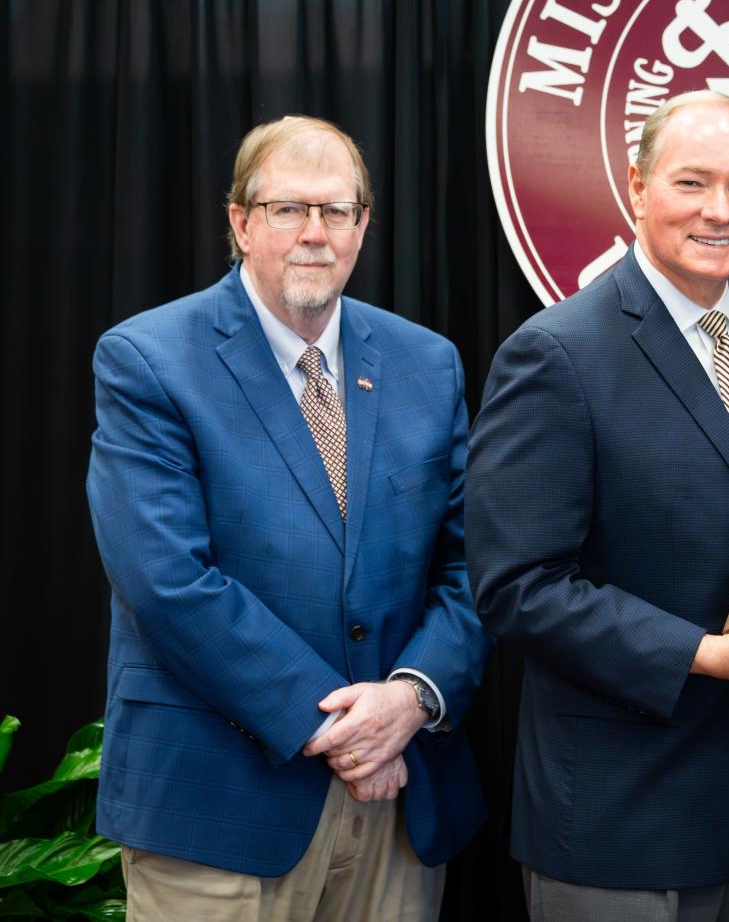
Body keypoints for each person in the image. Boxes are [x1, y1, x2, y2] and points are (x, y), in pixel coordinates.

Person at [86, 116, 492, 920]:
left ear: (363, 225)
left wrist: (411, 698)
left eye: (336, 210)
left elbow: (475, 563)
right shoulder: (148, 359)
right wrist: (345, 729)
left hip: (397, 803)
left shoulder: (427, 362)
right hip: (219, 803)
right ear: (240, 222)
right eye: (287, 209)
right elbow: (167, 582)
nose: (314, 232)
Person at [466, 90, 729, 922]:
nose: (721, 210)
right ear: (638, 187)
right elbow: (517, 587)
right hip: (625, 814)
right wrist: (705, 654)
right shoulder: (557, 352)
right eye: (693, 182)